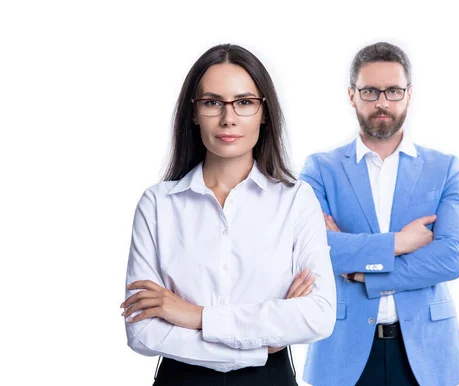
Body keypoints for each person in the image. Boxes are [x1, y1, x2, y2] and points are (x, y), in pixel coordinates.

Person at [120, 44, 336, 386]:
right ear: (193, 113)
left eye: (245, 102)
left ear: (264, 112)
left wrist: (194, 316)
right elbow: (143, 330)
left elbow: (319, 316)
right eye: (212, 102)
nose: (228, 118)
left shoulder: (296, 200)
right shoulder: (158, 204)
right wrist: (264, 342)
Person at [300, 42, 459, 386]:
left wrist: (364, 274)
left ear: (409, 94)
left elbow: (450, 259)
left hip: (427, 353)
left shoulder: (445, 168)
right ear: (352, 96)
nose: (382, 102)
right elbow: (313, 250)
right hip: (343, 353)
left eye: (393, 91)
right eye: (370, 91)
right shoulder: (320, 169)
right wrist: (401, 242)